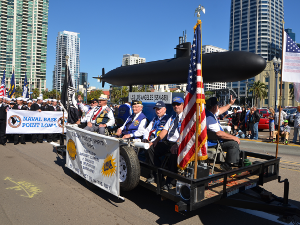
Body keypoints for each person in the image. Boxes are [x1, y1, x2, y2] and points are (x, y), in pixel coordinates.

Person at [148, 97, 184, 190]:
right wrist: (155, 141)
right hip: (168, 142)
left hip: (180, 143)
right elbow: (164, 130)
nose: (176, 106)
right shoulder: (172, 117)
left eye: (178, 104)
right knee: (150, 148)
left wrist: (178, 143)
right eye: (174, 105)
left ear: (183, 105)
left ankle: (170, 181)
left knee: (173, 154)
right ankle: (159, 174)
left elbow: (186, 133)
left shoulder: (186, 118)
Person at [206, 96, 241, 172]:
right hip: (214, 143)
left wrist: (230, 104)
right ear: (215, 107)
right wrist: (233, 137)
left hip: (213, 140)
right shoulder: (210, 118)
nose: (219, 107)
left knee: (233, 141)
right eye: (218, 106)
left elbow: (222, 110)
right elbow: (219, 134)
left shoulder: (208, 112)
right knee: (234, 144)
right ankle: (227, 165)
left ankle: (235, 160)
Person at [142, 101, 170, 183]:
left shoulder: (168, 119)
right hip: (151, 140)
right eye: (156, 109)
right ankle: (146, 171)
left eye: (160, 109)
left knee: (150, 149)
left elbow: (164, 133)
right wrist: (145, 139)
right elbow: (147, 130)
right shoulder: (155, 119)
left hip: (162, 141)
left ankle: (155, 175)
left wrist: (153, 141)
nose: (158, 111)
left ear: (165, 109)